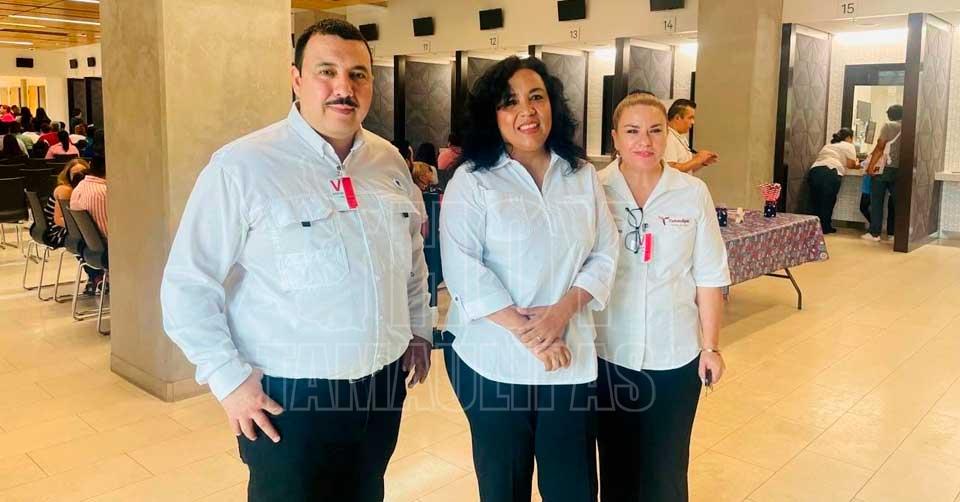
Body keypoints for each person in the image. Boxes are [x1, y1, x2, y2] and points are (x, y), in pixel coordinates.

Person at [160, 19, 431, 502]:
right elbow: (187, 284)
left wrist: (417, 329)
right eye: (326, 71)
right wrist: (229, 382)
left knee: (367, 493)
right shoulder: (243, 166)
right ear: (296, 79)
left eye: (358, 74)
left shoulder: (388, 161)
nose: (344, 87)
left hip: (382, 386)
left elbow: (411, 258)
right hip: (290, 397)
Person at [440, 55, 619, 502]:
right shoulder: (472, 181)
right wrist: (534, 335)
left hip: (569, 356)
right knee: (504, 487)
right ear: (493, 114)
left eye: (536, 97)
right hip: (492, 361)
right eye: (510, 102)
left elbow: (605, 251)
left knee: (573, 487)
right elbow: (463, 269)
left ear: (552, 104)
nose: (527, 111)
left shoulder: (581, 175)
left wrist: (560, 315)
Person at [594, 93, 730, 502]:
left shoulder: (692, 192)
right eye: (632, 131)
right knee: (615, 468)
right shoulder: (593, 189)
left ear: (667, 135)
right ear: (615, 138)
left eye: (655, 130)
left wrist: (711, 347)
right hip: (608, 353)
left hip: (674, 354)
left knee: (667, 470)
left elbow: (709, 275)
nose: (645, 141)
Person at [807, 128, 860, 233]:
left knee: (816, 200)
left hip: (815, 171)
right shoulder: (848, 145)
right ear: (848, 137)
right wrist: (857, 163)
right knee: (828, 201)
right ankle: (825, 227)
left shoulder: (828, 145)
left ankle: (814, 228)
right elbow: (851, 165)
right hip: (830, 171)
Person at [863, 104, 902, 242]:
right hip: (900, 169)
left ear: (890, 115)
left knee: (877, 201)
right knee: (898, 202)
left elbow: (880, 147)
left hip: (884, 169)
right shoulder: (909, 127)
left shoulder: (888, 126)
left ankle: (875, 233)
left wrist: (870, 166)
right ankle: (897, 234)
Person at [663, 99, 718, 173]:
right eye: (690, 118)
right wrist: (696, 160)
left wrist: (702, 162)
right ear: (677, 118)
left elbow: (687, 171)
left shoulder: (681, 137)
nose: (693, 122)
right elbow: (670, 170)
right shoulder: (668, 137)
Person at [70, 153, 107, 237]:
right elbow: (109, 234)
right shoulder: (104, 192)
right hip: (108, 242)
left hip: (87, 240)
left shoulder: (78, 187)